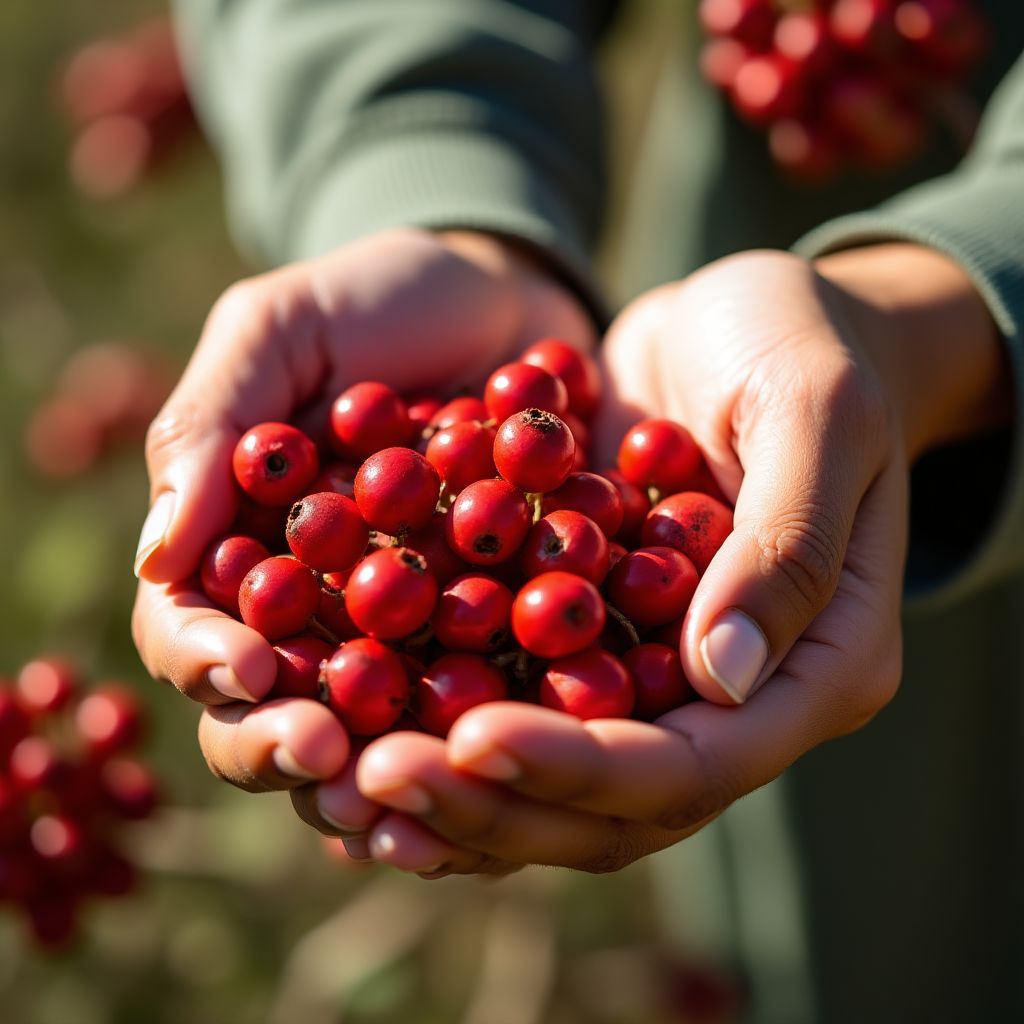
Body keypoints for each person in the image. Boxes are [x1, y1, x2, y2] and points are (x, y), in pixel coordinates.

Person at [133, 2, 1024, 1020]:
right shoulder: (572, 485)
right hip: (773, 375)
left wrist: (959, 298)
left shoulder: (545, 505)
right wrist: (424, 175)